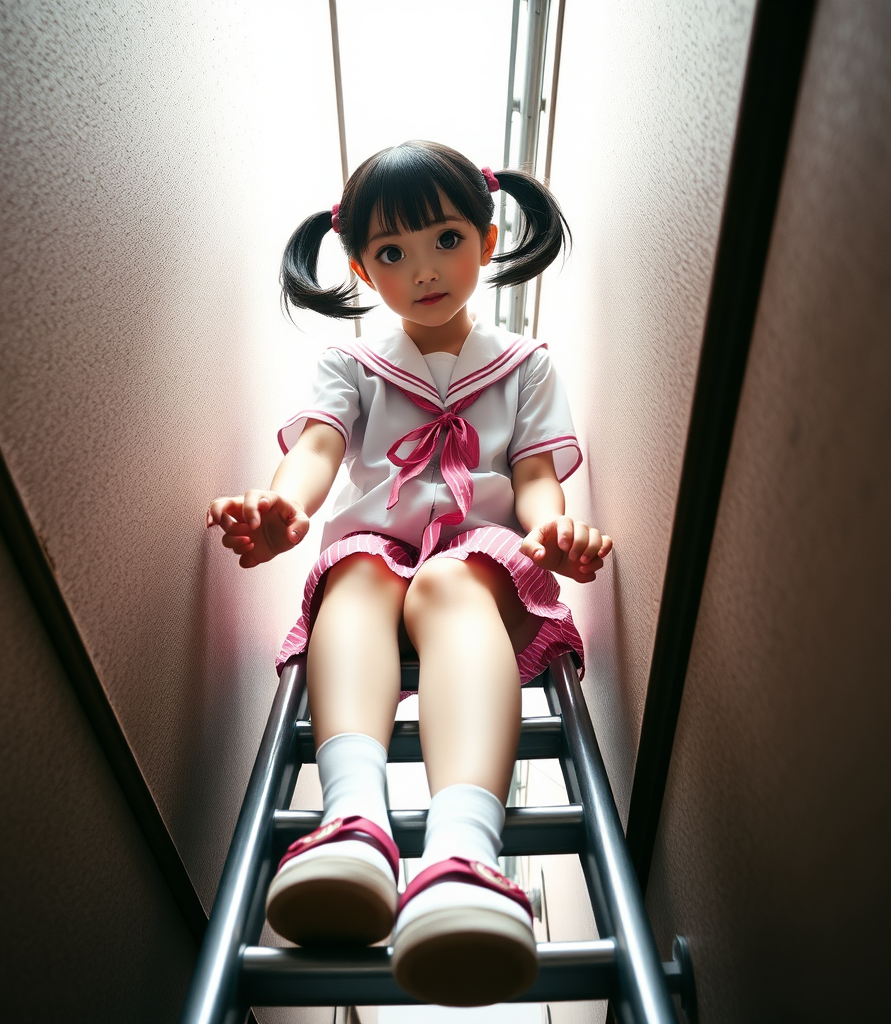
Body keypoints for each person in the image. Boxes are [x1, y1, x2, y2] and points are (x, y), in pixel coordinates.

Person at [206, 141, 611, 1007]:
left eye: (445, 240)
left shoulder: (526, 364)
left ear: (488, 237)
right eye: (392, 253)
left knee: (449, 581)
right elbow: (317, 452)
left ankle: (464, 855)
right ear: (360, 269)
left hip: (480, 567)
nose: (423, 269)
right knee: (354, 571)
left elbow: (537, 480)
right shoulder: (352, 365)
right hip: (380, 556)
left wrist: (555, 535)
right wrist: (284, 511)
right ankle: (352, 821)